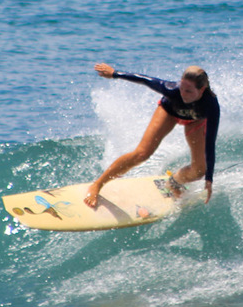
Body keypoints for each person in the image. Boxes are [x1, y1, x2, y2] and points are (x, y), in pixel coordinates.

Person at [84, 62, 220, 208]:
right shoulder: (172, 90)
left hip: (194, 122)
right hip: (168, 113)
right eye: (182, 88)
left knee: (199, 171)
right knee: (142, 154)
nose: (183, 94)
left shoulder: (211, 105)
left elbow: (210, 143)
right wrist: (115, 73)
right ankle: (97, 184)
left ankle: (174, 182)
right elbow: (145, 79)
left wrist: (209, 179)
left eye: (188, 91)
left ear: (202, 90)